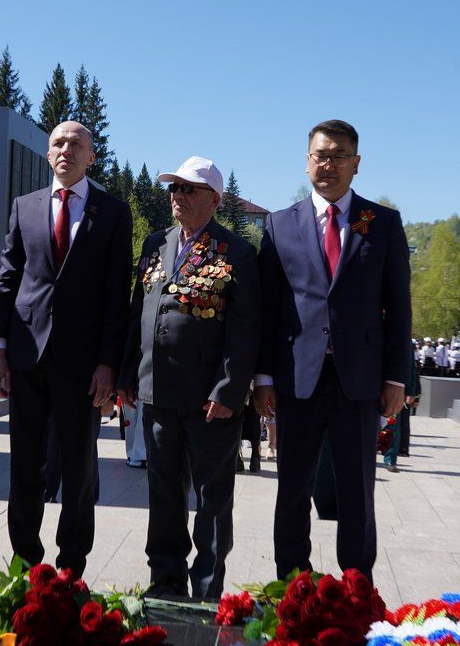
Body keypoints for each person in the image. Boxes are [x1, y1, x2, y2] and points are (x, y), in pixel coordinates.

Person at [254, 120, 412, 579]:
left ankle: (356, 586)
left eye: (340, 155)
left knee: (358, 488)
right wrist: (262, 377)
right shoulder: (279, 224)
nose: (329, 164)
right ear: (307, 162)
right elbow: (269, 308)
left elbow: (398, 307)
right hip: (296, 379)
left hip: (359, 381)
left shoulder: (380, 223)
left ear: (356, 164)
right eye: (321, 155)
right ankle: (291, 584)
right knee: (292, 487)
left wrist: (396, 378)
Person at [0, 121, 132, 577]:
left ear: (92, 156)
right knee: (25, 466)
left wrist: (109, 363)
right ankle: (25, 562)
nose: (65, 150)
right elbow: (8, 278)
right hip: (27, 357)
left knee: (79, 468)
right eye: (58, 144)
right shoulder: (24, 207)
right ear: (48, 155)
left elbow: (116, 292)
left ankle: (71, 567)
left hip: (83, 364)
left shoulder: (112, 212)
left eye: (76, 144)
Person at [119, 156, 261, 601]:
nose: (177, 196)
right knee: (163, 494)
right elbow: (136, 313)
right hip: (156, 391)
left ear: (214, 200)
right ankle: (164, 582)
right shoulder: (155, 243)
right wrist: (127, 376)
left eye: (188, 189)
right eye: (173, 189)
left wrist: (228, 390)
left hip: (209, 401)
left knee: (212, 499)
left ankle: (206, 590)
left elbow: (246, 330)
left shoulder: (237, 252)